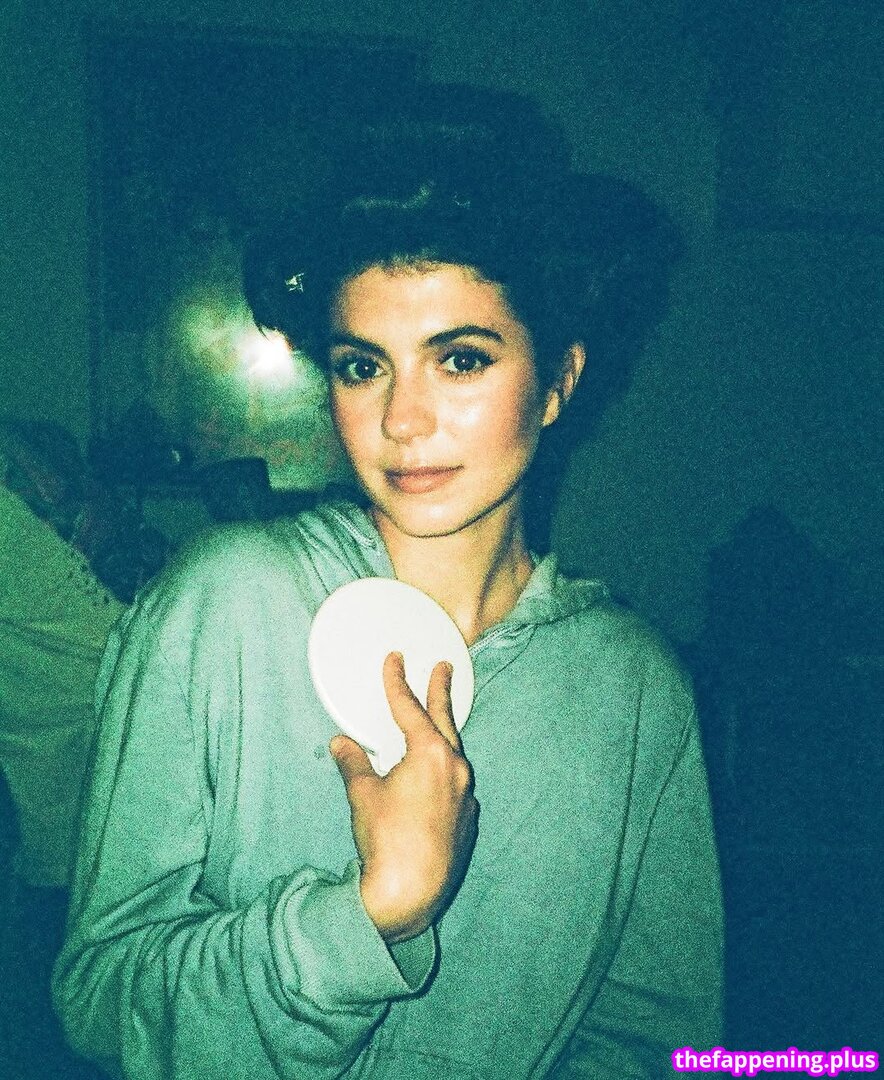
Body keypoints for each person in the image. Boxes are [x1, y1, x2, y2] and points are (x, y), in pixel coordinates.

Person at [53, 114, 723, 1079]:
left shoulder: (635, 688)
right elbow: (101, 998)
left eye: (461, 358)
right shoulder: (224, 603)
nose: (402, 419)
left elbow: (651, 1040)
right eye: (363, 366)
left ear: (557, 382)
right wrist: (367, 919)